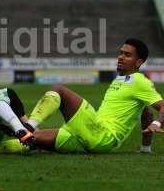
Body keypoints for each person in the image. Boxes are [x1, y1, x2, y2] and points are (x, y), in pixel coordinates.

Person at [22, 38, 164, 153]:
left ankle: (28, 125)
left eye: (127, 55)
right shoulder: (123, 81)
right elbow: (146, 114)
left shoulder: (139, 81)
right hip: (91, 136)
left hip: (102, 134)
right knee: (29, 139)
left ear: (138, 62)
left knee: (59, 90)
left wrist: (158, 123)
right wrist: (146, 148)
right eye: (121, 53)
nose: (121, 57)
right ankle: (21, 136)